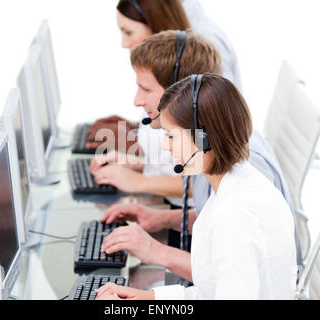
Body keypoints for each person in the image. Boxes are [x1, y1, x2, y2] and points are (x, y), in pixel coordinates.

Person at [91, 30, 302, 281]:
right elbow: (216, 224)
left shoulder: (244, 167)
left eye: (145, 89)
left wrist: (155, 251)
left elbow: (235, 272)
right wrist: (163, 218)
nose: (137, 101)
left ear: (181, 92)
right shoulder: (210, 147)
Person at [86, 0, 242, 151]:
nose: (124, 43)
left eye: (129, 32)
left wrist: (135, 149)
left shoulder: (200, 50)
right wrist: (138, 129)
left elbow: (208, 144)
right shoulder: (168, 61)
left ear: (156, 25)